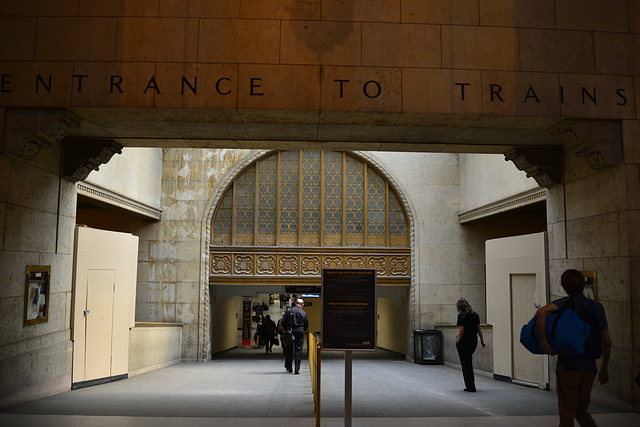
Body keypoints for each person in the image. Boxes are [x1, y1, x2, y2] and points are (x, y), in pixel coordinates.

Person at [536, 269, 611, 427]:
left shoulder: (563, 304)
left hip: (569, 366)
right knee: (580, 410)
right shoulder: (596, 307)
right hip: (590, 368)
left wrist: (544, 341)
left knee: (566, 413)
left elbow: (541, 312)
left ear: (564, 286)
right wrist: (604, 367)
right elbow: (607, 340)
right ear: (583, 285)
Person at [456, 297, 485, 392]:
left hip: (464, 342)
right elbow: (479, 329)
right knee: (468, 362)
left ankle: (470, 386)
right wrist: (482, 340)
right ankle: (471, 385)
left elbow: (461, 330)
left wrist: (458, 340)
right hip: (473, 341)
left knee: (465, 364)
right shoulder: (475, 315)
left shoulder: (461, 316)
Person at [283, 298, 308, 374]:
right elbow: (306, 323)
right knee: (298, 350)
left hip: (290, 331)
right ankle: (297, 369)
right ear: (302, 305)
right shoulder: (303, 312)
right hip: (300, 331)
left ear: (295, 303)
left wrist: (287, 329)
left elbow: (283, 322)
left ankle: (289, 367)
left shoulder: (289, 311)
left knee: (289, 349)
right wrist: (304, 330)